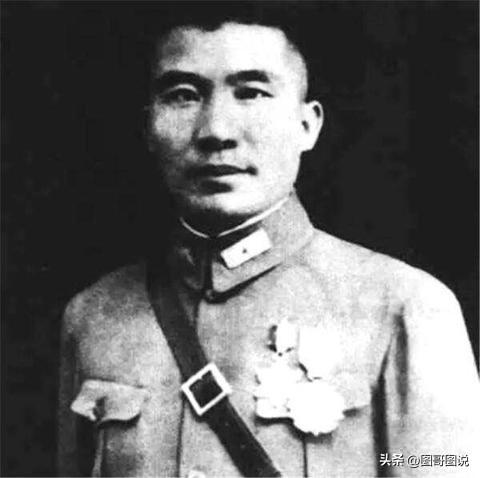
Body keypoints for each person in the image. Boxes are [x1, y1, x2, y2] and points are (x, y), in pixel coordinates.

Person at [57, 6, 479, 477]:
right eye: (183, 96)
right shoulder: (95, 317)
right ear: (148, 129)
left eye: (252, 93)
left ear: (307, 125)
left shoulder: (404, 306)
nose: (216, 131)